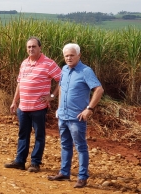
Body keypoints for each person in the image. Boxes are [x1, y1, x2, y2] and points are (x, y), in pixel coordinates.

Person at [47, 43, 104, 188]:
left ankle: (82, 177)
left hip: (77, 118)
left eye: (72, 55)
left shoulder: (86, 71)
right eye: (66, 56)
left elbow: (99, 90)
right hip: (63, 116)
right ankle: (64, 173)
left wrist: (89, 109)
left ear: (79, 56)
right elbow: (61, 87)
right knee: (65, 145)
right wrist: (59, 108)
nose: (69, 58)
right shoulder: (64, 70)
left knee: (80, 147)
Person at [4, 37, 61, 173]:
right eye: (29, 47)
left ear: (40, 48)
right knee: (23, 134)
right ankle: (20, 161)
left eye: (34, 46)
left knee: (39, 136)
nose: (31, 49)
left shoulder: (49, 63)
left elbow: (62, 79)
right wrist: (14, 101)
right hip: (23, 107)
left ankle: (35, 163)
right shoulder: (24, 63)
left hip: (39, 108)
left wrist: (52, 96)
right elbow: (19, 83)